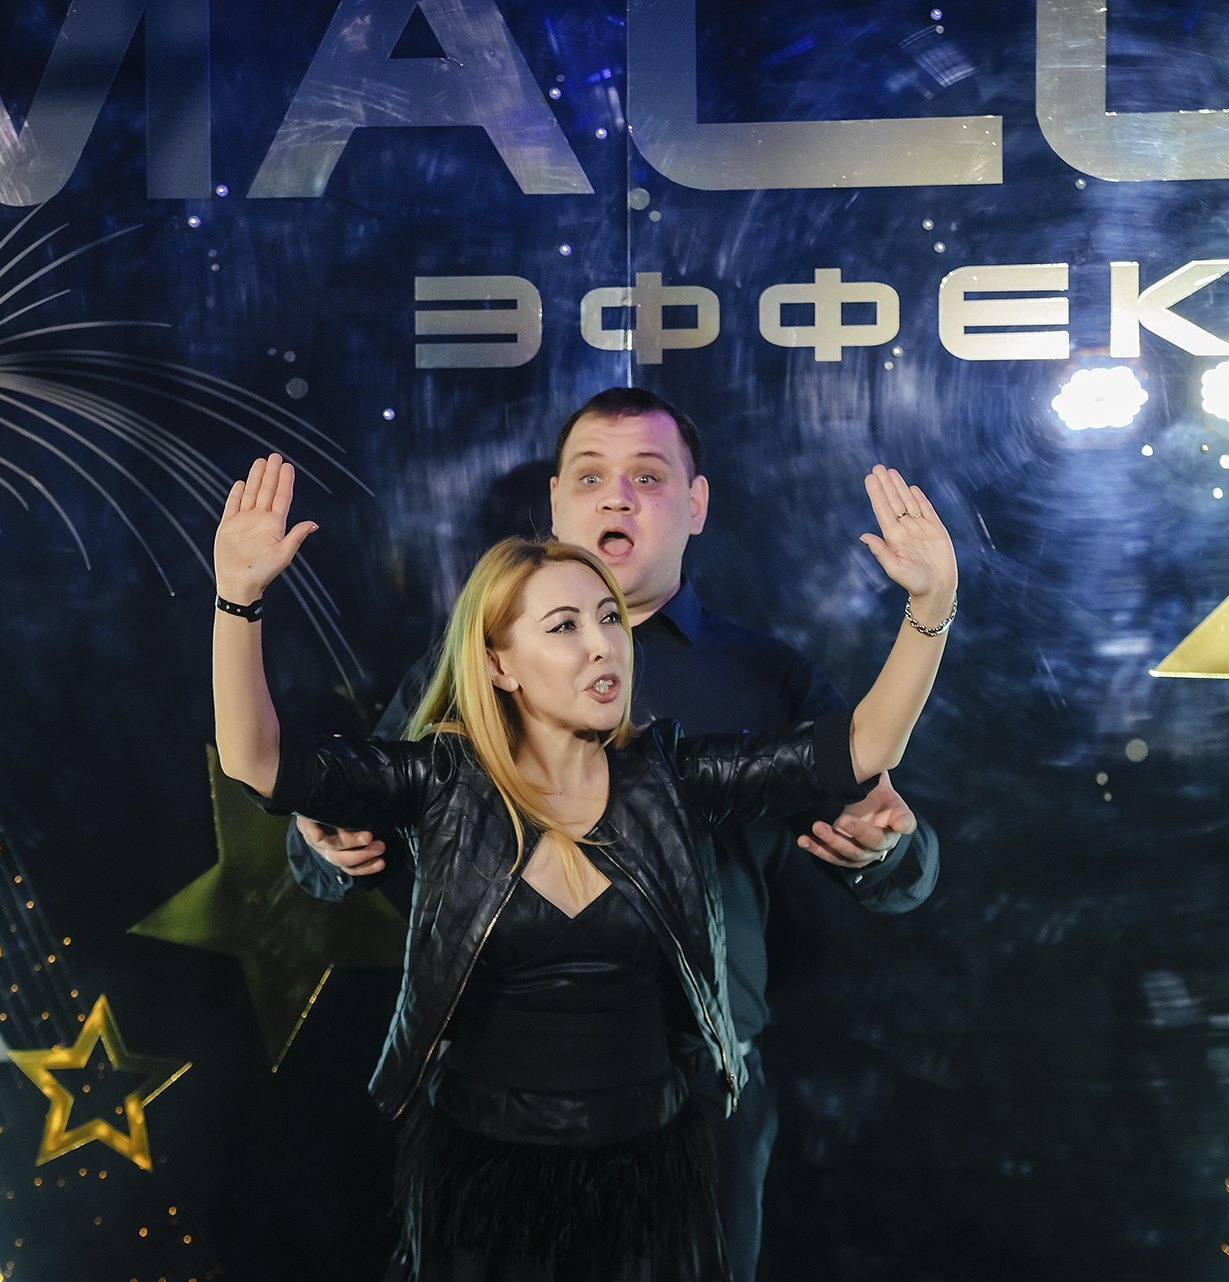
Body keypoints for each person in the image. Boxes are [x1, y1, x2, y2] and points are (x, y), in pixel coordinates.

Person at [213, 453, 956, 1279]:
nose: (603, 644)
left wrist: (931, 606)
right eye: (564, 627)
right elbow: (256, 760)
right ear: (499, 664)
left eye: (608, 618)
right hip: (482, 1184)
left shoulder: (676, 774)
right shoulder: (440, 782)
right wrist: (237, 598)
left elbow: (864, 747)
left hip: (654, 1179)